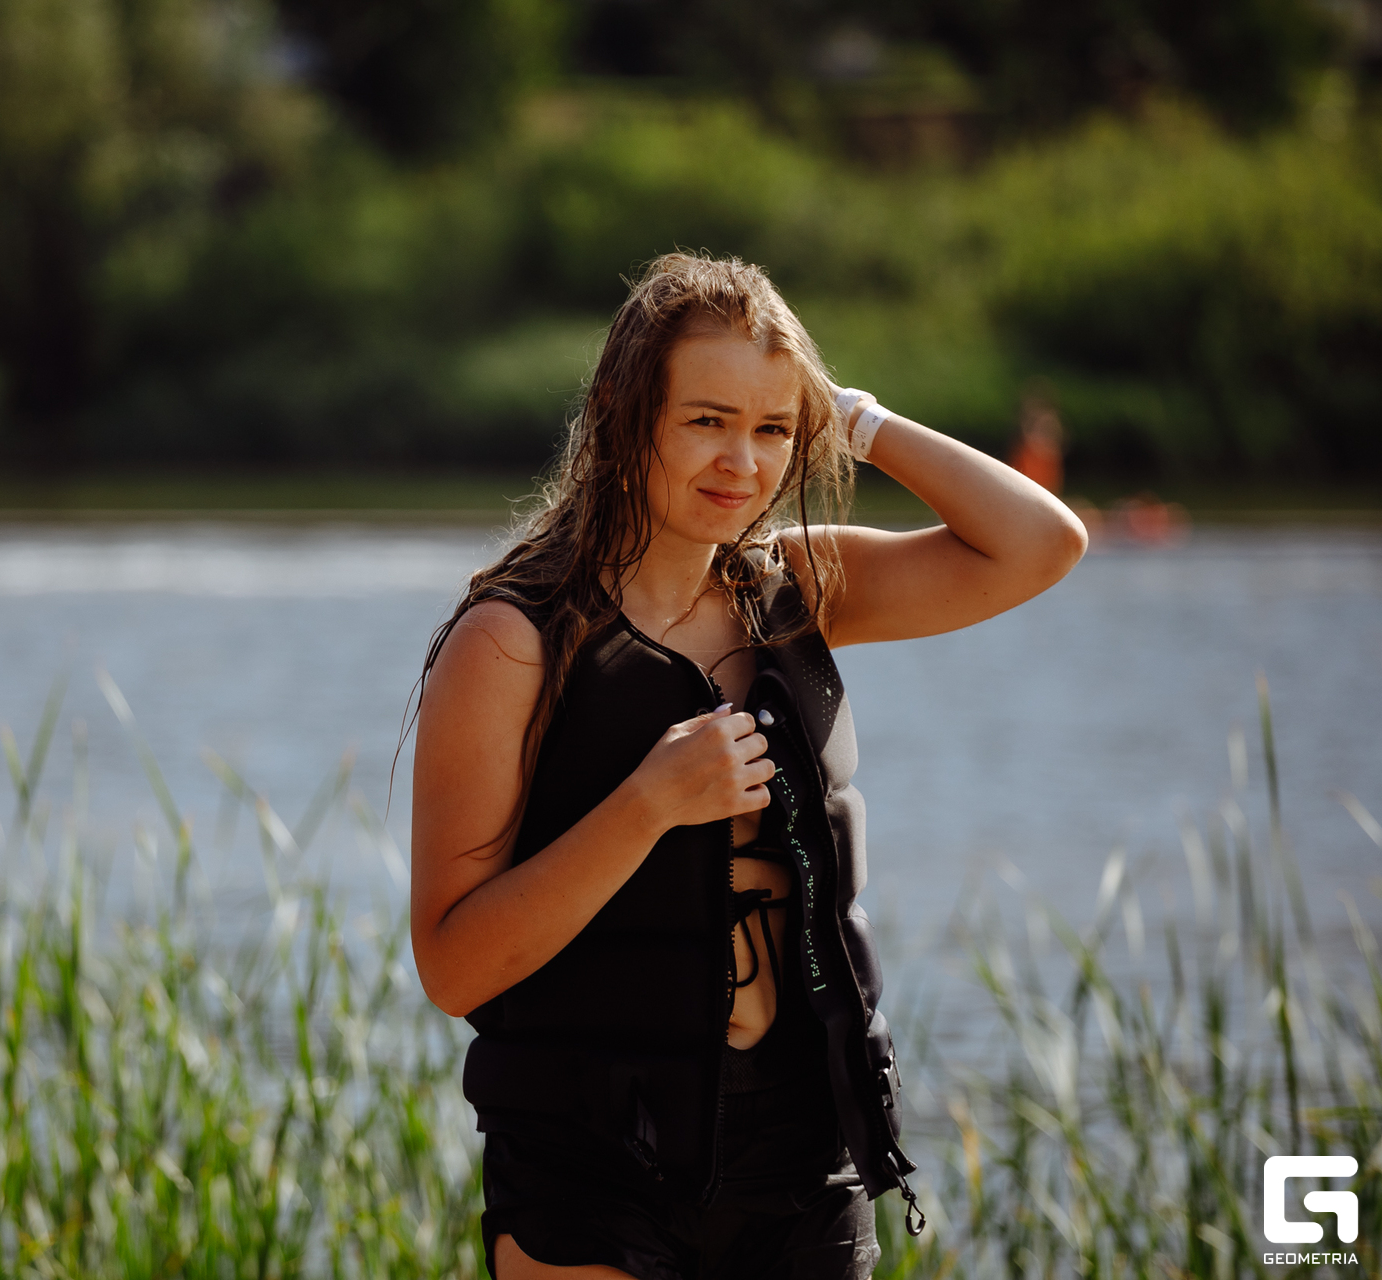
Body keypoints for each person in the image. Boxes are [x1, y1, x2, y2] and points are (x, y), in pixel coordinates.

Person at [409, 253, 1087, 1280]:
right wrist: (646, 806)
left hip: (805, 1148)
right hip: (590, 1157)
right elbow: (453, 965)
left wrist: (852, 417)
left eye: (774, 428)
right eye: (707, 420)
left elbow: (1041, 543)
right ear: (620, 412)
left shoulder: (803, 588)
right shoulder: (513, 642)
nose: (743, 461)